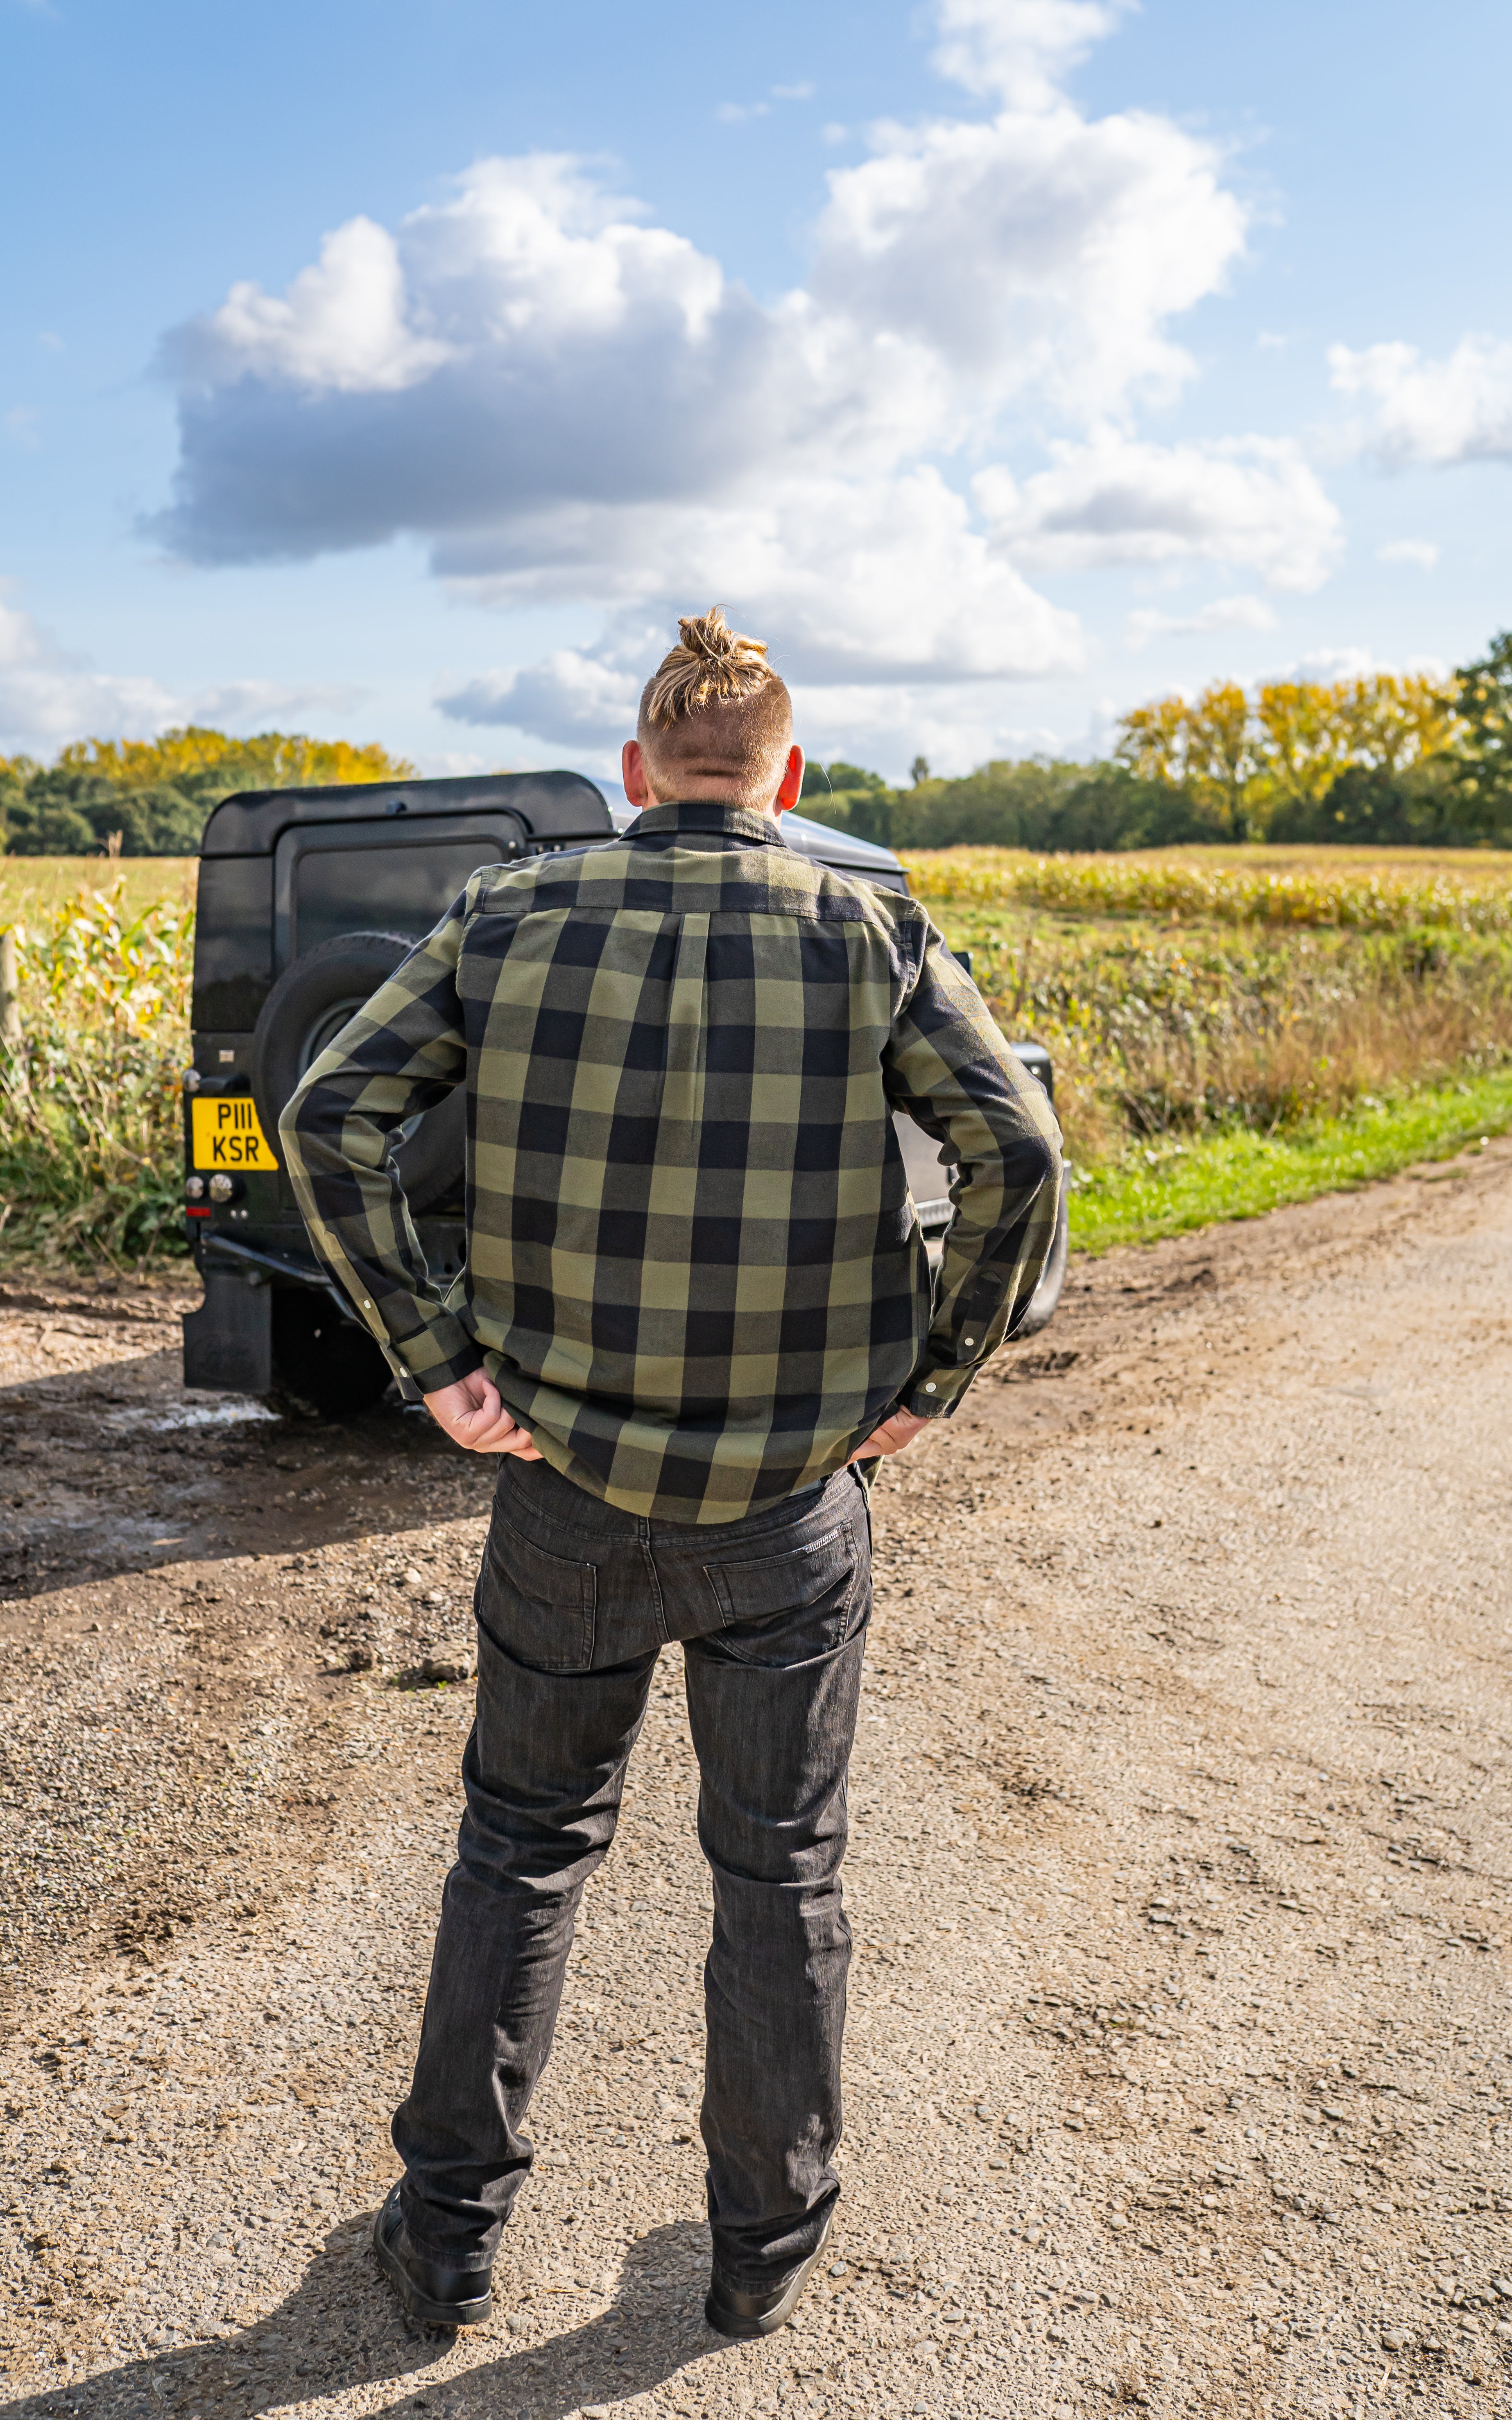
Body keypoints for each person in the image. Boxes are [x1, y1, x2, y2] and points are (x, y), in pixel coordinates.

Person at [280, 607, 1064, 2340]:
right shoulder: (869, 926)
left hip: (563, 1484)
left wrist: (435, 1360)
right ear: (785, 776)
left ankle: (451, 2230)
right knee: (781, 1866)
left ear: (638, 774)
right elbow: (1015, 1147)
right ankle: (759, 2245)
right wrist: (931, 1378)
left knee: (520, 1844)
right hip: (793, 1507)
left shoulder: (507, 910)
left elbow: (330, 1112)